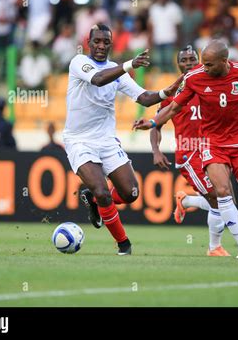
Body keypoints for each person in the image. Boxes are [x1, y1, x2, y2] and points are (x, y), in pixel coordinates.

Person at [134, 40, 238, 259]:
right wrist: (153, 127)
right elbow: (171, 109)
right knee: (221, 195)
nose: (199, 67)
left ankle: (192, 203)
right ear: (178, 64)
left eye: (204, 63)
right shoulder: (188, 82)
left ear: (224, 61)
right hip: (203, 147)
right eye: (187, 61)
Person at [64, 24, 182, 256]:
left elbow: (145, 98)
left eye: (105, 42)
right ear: (88, 43)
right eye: (96, 41)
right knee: (102, 190)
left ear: (111, 44)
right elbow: (97, 79)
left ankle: (95, 201)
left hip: (107, 141)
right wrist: (129, 64)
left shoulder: (116, 71)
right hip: (79, 140)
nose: (100, 46)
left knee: (131, 194)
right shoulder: (79, 63)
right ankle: (124, 244)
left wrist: (166, 93)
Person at [150, 46, 230, 257]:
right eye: (184, 60)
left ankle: (186, 201)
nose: (188, 62)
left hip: (212, 149)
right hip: (188, 152)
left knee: (224, 196)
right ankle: (214, 248)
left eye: (192, 59)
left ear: (200, 60)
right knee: (216, 196)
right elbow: (156, 124)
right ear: (178, 64)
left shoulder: (211, 84)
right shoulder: (172, 91)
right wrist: (156, 150)